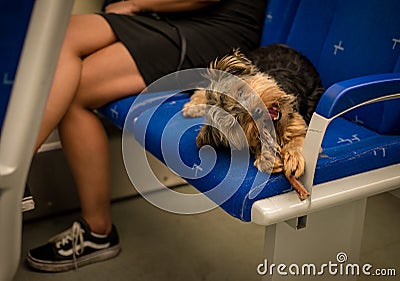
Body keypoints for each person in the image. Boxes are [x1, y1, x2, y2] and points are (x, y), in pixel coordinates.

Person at [26, 0, 267, 272]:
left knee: (75, 91)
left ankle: (18, 172)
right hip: (167, 15)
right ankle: (16, 170)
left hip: (217, 25)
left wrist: (135, 4)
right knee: (61, 35)